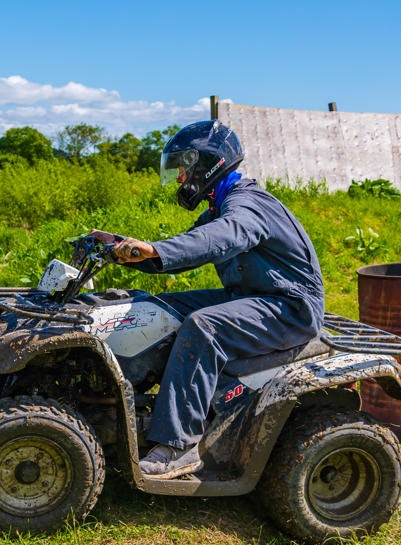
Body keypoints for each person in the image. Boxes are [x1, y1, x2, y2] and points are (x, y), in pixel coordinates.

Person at [91, 120, 325, 479]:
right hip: (254, 297)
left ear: (209, 164)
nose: (181, 179)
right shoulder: (219, 208)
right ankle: (130, 399)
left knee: (205, 326)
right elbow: (186, 252)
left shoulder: (247, 205)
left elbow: (221, 238)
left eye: (184, 170)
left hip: (289, 308)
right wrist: (122, 248)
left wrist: (153, 248)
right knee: (158, 307)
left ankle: (179, 445)